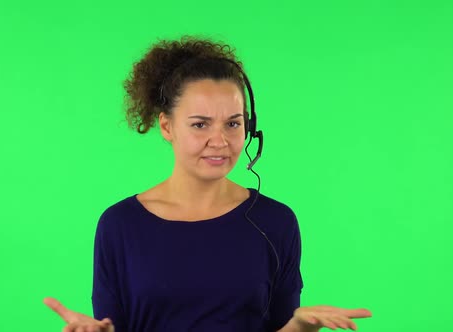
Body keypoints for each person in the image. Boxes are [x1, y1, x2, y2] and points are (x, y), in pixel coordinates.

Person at [44, 35, 372, 332]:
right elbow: (111, 325)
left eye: (233, 123)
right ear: (167, 126)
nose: (220, 140)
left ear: (250, 127)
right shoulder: (120, 225)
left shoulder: (275, 222)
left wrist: (300, 326)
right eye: (200, 124)